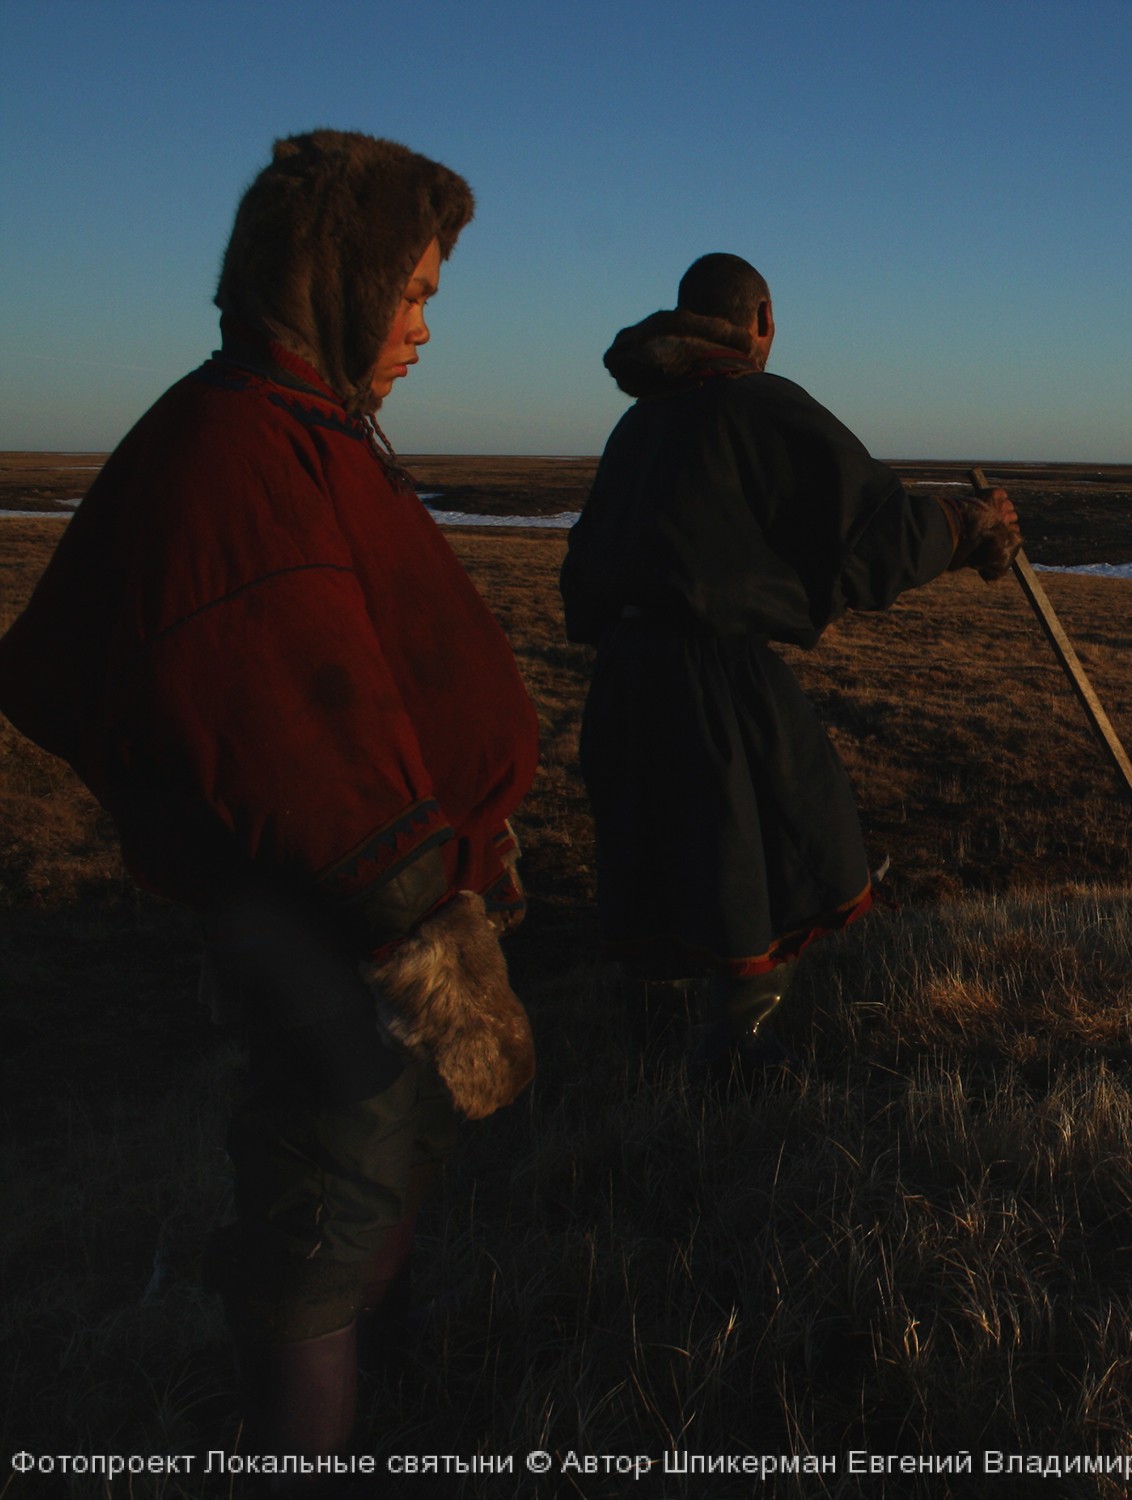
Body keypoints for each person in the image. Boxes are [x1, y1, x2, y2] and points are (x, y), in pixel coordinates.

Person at [0, 131, 541, 1477]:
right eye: (411, 293)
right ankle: (303, 1457)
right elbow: (299, 723)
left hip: (369, 912)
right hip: (334, 916)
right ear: (339, 281)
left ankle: (381, 1412)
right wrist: (429, 922)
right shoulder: (240, 447)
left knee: (376, 1167)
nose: (424, 329)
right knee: (325, 1205)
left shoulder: (299, 425)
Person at [560, 253, 1019, 1076]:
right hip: (710, 680)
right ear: (761, 320)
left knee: (689, 854)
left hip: (624, 679)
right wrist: (968, 524)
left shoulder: (640, 426)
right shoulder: (757, 403)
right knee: (773, 849)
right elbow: (869, 537)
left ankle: (672, 1051)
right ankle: (738, 1070)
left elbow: (589, 570)